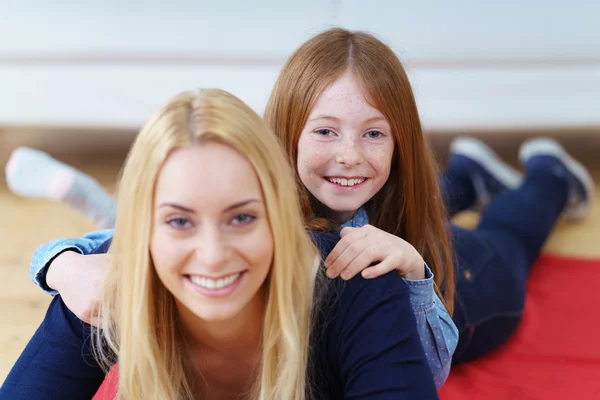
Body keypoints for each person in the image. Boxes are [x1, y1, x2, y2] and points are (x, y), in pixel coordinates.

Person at [6, 27, 595, 384]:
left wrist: (416, 275)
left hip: (457, 280)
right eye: (325, 132)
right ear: (285, 133)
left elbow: (423, 370)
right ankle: (467, 172)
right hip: (373, 223)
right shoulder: (256, 197)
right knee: (365, 193)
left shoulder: (384, 260)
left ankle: (548, 175)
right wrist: (60, 265)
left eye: (373, 134)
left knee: (504, 243)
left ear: (400, 140)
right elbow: (123, 252)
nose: (348, 154)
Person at [1, 88, 439, 399]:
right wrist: (61, 264)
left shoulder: (360, 281)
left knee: (502, 240)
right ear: (141, 232)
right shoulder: (103, 287)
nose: (212, 254)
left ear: (282, 216)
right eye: (178, 221)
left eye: (242, 217)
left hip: (469, 279)